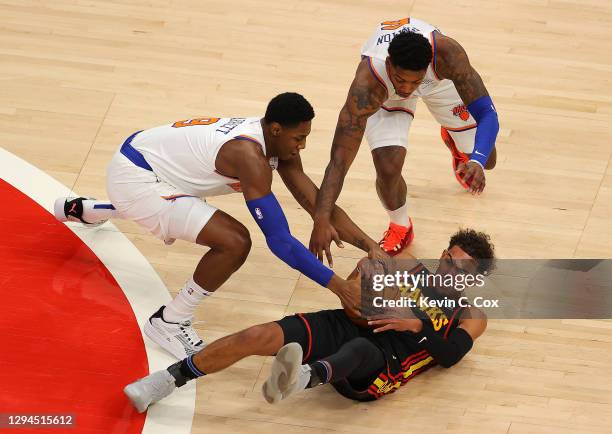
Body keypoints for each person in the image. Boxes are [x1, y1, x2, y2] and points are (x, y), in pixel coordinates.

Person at [54, 92, 384, 359]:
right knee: (235, 241)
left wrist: (372, 246)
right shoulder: (249, 156)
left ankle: (85, 210)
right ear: (276, 130)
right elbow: (280, 241)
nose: (302, 146)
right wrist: (339, 286)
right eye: (299, 138)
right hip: (139, 178)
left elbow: (317, 204)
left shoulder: (274, 142)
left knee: (173, 207)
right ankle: (170, 320)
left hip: (147, 161)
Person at [123, 228, 495, 412]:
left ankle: (303, 376)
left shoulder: (471, 315)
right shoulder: (404, 264)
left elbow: (450, 355)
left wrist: (418, 327)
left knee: (360, 348)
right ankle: (166, 380)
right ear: (444, 254)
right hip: (353, 325)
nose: (449, 270)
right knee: (257, 334)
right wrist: (370, 302)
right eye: (449, 260)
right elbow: (352, 305)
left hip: (385, 363)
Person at [310, 17, 499, 259]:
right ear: (389, 64)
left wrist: (477, 161)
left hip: (437, 84)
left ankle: (455, 144)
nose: (408, 89)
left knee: (489, 160)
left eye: (414, 81)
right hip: (387, 95)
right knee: (388, 169)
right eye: (402, 80)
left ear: (428, 65)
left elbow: (487, 113)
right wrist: (321, 219)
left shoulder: (447, 55)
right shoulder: (367, 85)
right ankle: (400, 226)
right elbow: (338, 162)